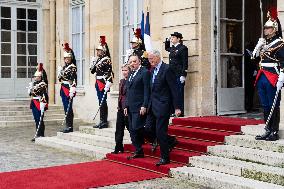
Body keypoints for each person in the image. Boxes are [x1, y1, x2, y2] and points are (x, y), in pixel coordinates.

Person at [254, 7, 284, 141]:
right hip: (262, 75)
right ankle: (267, 128)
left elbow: (283, 61)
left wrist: (282, 77)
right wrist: (258, 46)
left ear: (274, 29)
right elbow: (254, 57)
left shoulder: (280, 43)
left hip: (273, 75)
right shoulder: (264, 42)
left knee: (273, 104)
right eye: (265, 27)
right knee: (265, 105)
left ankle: (274, 131)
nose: (265, 29)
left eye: (268, 27)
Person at [147, 50, 181, 166]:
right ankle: (171, 141)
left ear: (158, 57)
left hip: (163, 105)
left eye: (151, 58)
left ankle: (165, 158)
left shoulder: (167, 69)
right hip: (152, 105)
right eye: (149, 59)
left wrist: (177, 107)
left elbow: (174, 89)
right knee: (148, 128)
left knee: (160, 131)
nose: (150, 60)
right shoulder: (152, 71)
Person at [124, 54, 150, 159]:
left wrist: (144, 105)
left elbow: (147, 90)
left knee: (137, 128)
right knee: (131, 129)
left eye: (134, 61)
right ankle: (139, 150)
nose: (132, 64)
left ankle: (158, 138)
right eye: (130, 62)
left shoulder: (144, 72)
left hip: (139, 106)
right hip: (130, 106)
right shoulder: (131, 73)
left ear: (139, 61)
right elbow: (128, 91)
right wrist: (126, 105)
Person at [90, 36, 113, 129]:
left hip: (103, 82)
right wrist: (93, 63)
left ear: (103, 51)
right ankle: (101, 120)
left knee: (103, 101)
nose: (97, 52)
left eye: (99, 51)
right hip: (97, 81)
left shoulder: (106, 59)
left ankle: (104, 121)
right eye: (97, 51)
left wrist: (108, 82)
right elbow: (92, 71)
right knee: (100, 102)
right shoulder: (98, 59)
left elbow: (109, 72)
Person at [165, 32, 188, 116]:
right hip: (171, 74)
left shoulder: (183, 48)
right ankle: (173, 111)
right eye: (171, 37)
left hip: (179, 74)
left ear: (178, 39)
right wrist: (167, 40)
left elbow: (185, 62)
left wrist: (183, 74)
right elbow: (166, 48)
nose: (172, 39)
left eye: (173, 37)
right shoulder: (172, 48)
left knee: (179, 92)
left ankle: (180, 112)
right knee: (172, 92)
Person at [58, 46, 77, 133]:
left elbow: (73, 78)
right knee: (66, 108)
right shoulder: (64, 67)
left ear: (70, 58)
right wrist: (59, 73)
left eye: (68, 58)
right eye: (65, 58)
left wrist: (73, 88)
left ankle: (70, 126)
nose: (67, 59)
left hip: (68, 88)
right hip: (63, 87)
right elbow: (60, 78)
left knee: (68, 107)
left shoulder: (72, 67)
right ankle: (67, 125)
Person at [112, 64, 130, 154]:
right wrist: (119, 105)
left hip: (128, 108)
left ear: (129, 71)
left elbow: (129, 96)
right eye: (123, 70)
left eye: (126, 70)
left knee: (130, 128)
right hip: (120, 108)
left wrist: (126, 106)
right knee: (119, 128)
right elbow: (120, 95)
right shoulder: (121, 81)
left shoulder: (131, 81)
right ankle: (118, 146)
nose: (124, 72)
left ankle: (140, 143)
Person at [28, 67, 48, 142]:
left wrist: (43, 103)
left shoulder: (43, 84)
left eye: (38, 76)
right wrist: (30, 88)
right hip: (33, 102)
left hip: (39, 102)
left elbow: (44, 95)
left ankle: (41, 134)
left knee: (40, 119)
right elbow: (31, 94)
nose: (37, 77)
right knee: (36, 119)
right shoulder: (33, 84)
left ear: (40, 77)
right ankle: (38, 133)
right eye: (36, 76)